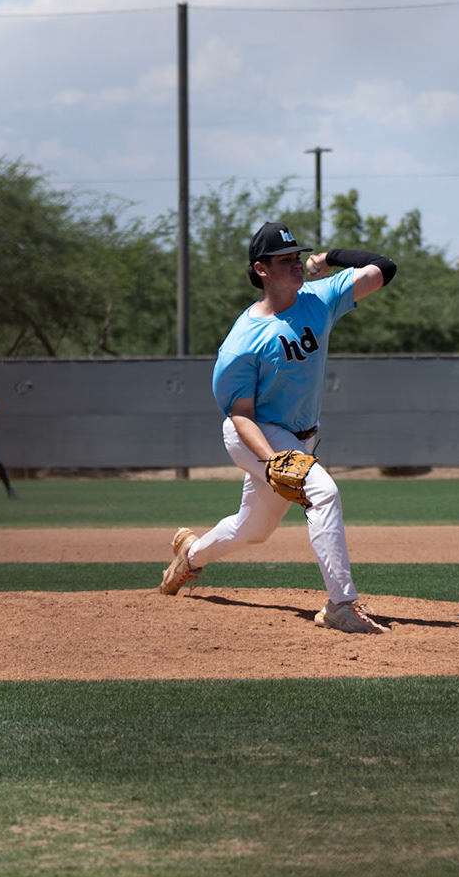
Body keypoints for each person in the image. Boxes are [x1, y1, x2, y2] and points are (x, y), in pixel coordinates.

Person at [160, 221, 397, 633]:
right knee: (323, 492)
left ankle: (190, 556)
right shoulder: (242, 342)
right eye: (284, 260)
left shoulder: (320, 298)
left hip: (302, 437)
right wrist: (273, 460)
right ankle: (341, 605)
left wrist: (330, 258)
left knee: (253, 530)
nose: (296, 264)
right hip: (256, 433)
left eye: (296, 257)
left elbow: (384, 267)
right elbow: (240, 414)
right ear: (262, 269)